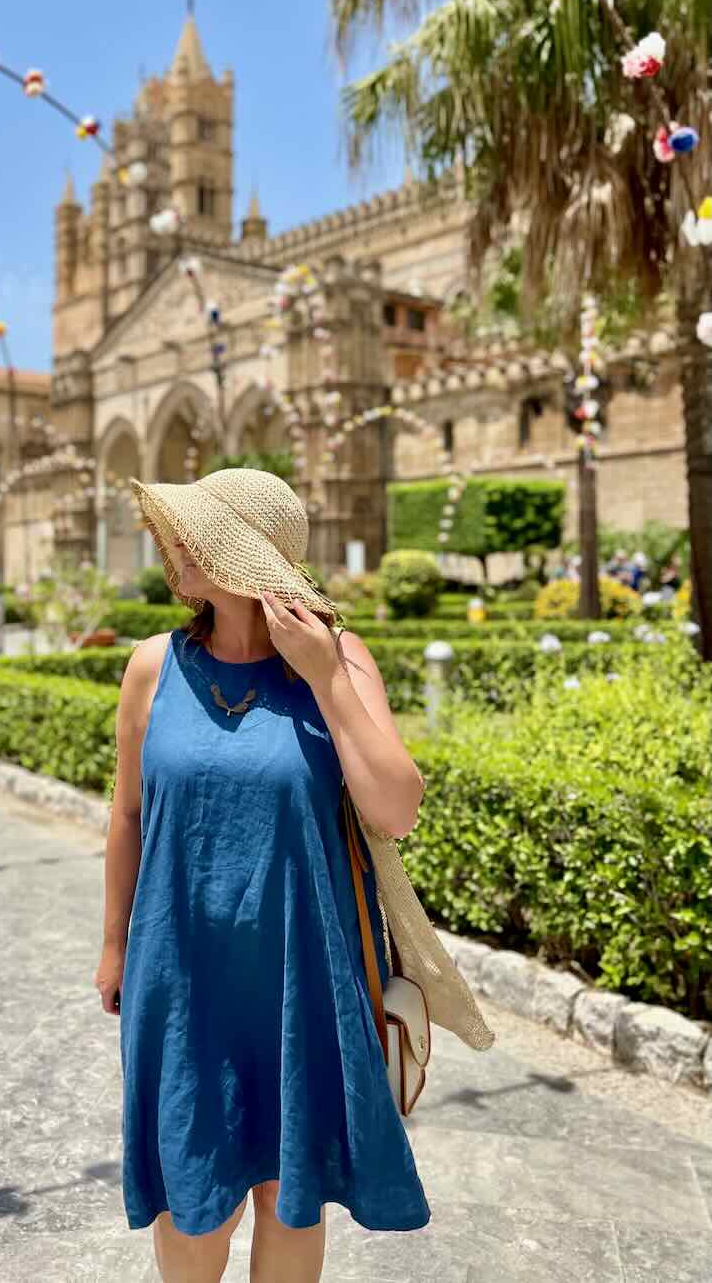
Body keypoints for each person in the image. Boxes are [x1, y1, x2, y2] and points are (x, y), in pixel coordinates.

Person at [95, 468, 493, 1283]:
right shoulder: (150, 665)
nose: (170, 545)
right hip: (181, 969)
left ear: (242, 554)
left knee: (287, 1192)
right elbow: (128, 815)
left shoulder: (339, 657)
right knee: (193, 1188)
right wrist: (113, 947)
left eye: (190, 532)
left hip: (302, 968)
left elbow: (396, 807)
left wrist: (321, 675)